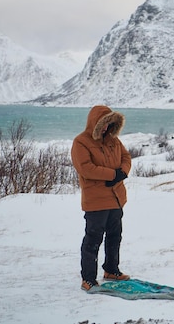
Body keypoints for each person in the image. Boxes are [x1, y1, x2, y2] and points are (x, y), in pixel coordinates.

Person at [71, 105, 132, 291]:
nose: (106, 128)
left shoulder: (114, 140)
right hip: (96, 200)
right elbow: (85, 168)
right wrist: (112, 174)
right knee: (93, 239)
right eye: (103, 124)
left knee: (115, 237)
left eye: (109, 124)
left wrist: (123, 172)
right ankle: (88, 278)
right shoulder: (81, 142)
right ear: (95, 123)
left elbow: (126, 157)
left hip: (116, 198)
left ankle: (111, 270)